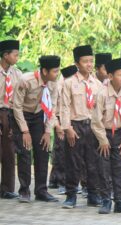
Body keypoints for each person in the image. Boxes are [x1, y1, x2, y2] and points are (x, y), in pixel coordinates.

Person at [11, 55, 60, 203]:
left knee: (43, 151)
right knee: (25, 153)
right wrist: (25, 131)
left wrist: (47, 131)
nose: (57, 74)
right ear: (44, 71)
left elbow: (52, 108)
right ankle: (24, 191)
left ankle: (41, 191)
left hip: (39, 116)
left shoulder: (53, 83)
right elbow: (17, 107)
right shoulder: (26, 80)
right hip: (22, 116)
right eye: (55, 71)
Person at [61, 45, 103, 208]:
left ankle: (93, 195)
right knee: (73, 161)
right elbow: (64, 106)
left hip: (92, 126)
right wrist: (67, 127)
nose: (89, 64)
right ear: (77, 63)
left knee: (93, 162)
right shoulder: (69, 83)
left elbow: (100, 108)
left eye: (91, 61)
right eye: (85, 61)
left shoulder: (97, 84)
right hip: (75, 126)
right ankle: (71, 195)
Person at [91, 58, 121, 214]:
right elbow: (95, 120)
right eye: (120, 75)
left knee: (119, 168)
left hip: (120, 134)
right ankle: (106, 200)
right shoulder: (101, 93)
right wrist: (102, 140)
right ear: (110, 76)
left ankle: (120, 201)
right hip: (104, 134)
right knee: (103, 168)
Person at [49, 65, 78, 195]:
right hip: (60, 120)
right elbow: (53, 110)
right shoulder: (59, 87)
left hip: (71, 120)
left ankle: (54, 180)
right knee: (61, 152)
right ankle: (61, 182)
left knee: (67, 151)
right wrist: (58, 126)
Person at [0, 39, 22, 199]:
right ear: (5, 55)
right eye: (15, 55)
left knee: (9, 151)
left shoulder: (17, 73)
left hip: (11, 114)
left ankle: (7, 188)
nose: (17, 58)